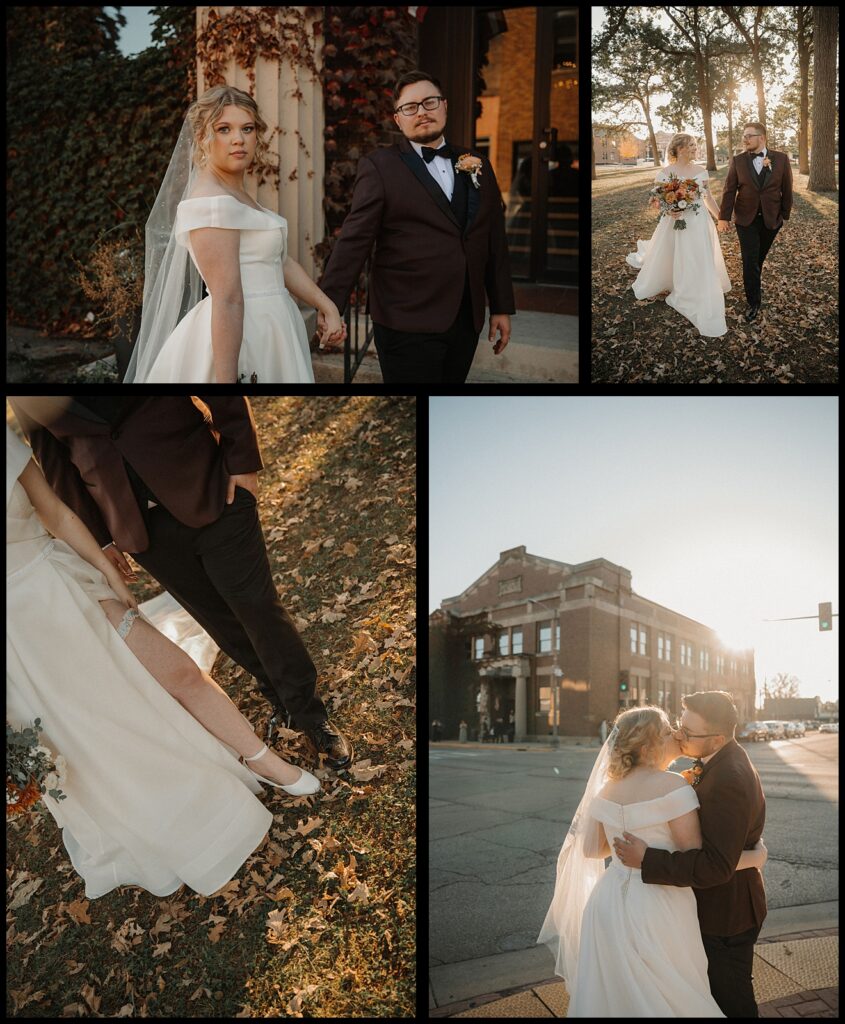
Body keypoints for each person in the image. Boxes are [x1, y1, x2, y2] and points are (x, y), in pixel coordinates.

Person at [6, 422, 322, 899]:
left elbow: (56, 511)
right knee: (93, 739)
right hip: (17, 639)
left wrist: (106, 574)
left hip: (62, 584)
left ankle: (264, 762)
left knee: (178, 673)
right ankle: (177, 824)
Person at [8, 397, 353, 774]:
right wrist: (102, 539)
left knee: (255, 605)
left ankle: (309, 715)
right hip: (135, 525)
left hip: (209, 483)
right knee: (218, 619)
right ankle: (278, 697)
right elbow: (52, 457)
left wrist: (242, 459)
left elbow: (216, 381)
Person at [537, 704, 767, 1017]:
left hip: (606, 904)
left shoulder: (606, 788)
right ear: (649, 746)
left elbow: (592, 849)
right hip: (658, 906)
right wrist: (755, 857)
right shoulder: (673, 786)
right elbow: (699, 859)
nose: (676, 733)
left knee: (614, 995)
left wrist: (625, 841)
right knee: (671, 991)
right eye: (667, 731)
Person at [124, 84, 345, 383]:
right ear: (203, 138)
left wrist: (326, 304)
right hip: (243, 334)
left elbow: (277, 261)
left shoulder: (236, 193)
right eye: (224, 129)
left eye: (248, 128)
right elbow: (228, 298)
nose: (238, 139)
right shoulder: (210, 203)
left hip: (273, 325)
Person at [318, 70, 516, 383]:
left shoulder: (477, 162)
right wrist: (328, 305)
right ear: (398, 119)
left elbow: (492, 239)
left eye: (429, 102)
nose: (421, 111)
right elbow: (354, 240)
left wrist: (502, 307)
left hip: (466, 318)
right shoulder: (380, 166)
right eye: (410, 107)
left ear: (445, 106)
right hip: (405, 319)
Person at [613, 691, 768, 1017]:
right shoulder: (717, 762)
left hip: (727, 917)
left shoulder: (729, 778)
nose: (679, 735)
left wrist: (647, 859)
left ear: (717, 739)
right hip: (718, 909)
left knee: (731, 1003)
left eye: (688, 732)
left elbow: (716, 866)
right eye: (679, 726)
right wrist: (756, 857)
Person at [626, 133, 730, 338]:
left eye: (695, 145)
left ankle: (695, 285)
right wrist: (668, 210)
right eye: (691, 145)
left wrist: (720, 217)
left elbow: (707, 197)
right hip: (674, 221)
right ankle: (675, 282)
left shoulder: (701, 171)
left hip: (698, 221)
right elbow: (658, 201)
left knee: (697, 255)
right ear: (680, 149)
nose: (695, 148)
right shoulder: (664, 173)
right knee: (674, 252)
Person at [717, 122, 793, 323]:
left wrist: (784, 216)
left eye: (749, 135)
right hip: (745, 219)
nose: (745, 139)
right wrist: (723, 217)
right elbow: (729, 190)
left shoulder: (782, 159)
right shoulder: (738, 160)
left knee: (757, 260)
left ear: (762, 137)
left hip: (771, 219)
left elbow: (787, 188)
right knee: (750, 261)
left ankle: (753, 282)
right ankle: (754, 303)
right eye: (744, 135)